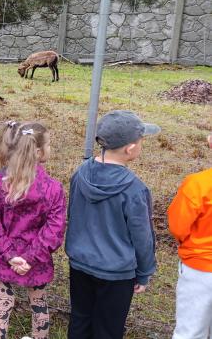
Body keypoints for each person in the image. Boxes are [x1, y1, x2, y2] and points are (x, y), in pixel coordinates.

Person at [65, 110, 158, 339]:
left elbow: (72, 214)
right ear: (130, 149)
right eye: (141, 140)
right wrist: (144, 272)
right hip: (116, 274)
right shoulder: (135, 190)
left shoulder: (80, 174)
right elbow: (143, 237)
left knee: (79, 320)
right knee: (108, 329)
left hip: (80, 264)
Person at [0, 121, 66, 339]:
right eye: (48, 144)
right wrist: (30, 258)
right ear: (37, 152)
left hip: (3, 256)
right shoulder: (53, 189)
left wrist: (9, 255)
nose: (50, 148)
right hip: (37, 258)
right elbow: (54, 230)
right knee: (39, 302)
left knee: (3, 301)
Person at [168, 133, 212, 339]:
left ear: (210, 143)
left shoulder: (198, 184)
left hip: (199, 269)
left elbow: (178, 227)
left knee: (190, 332)